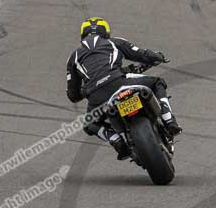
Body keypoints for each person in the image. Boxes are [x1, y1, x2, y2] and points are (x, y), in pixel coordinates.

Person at [66, 17, 182, 160]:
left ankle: (117, 140)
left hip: (98, 97)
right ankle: (169, 121)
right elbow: (143, 54)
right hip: (119, 83)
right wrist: (158, 56)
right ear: (106, 32)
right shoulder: (114, 42)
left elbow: (73, 95)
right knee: (158, 82)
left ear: (83, 34)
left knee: (89, 124)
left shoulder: (73, 57)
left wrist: (88, 89)